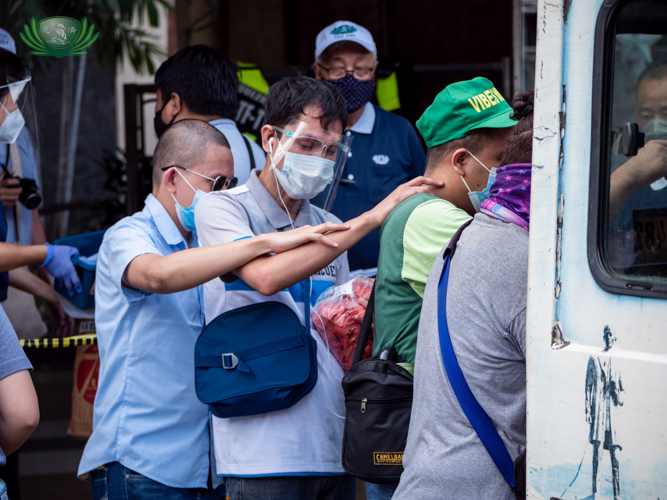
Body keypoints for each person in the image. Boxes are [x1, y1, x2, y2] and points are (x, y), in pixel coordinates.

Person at [194, 76, 440, 500]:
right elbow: (266, 278)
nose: (320, 160)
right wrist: (370, 219)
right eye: (307, 145)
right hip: (262, 456)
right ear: (270, 138)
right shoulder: (223, 209)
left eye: (331, 150)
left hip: (333, 449)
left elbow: (340, 330)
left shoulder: (323, 223)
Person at [77, 119, 349, 500]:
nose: (225, 194)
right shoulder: (130, 234)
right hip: (144, 462)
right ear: (172, 179)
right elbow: (156, 276)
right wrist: (263, 242)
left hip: (207, 466)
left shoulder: (213, 240)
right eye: (217, 184)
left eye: (231, 184)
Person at [367, 82, 526, 500]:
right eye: (499, 162)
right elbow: (524, 259)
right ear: (461, 161)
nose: (507, 177)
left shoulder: (446, 212)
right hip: (425, 446)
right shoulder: (430, 216)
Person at [313, 21, 426, 270]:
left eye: (361, 68)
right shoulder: (305, 135)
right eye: (338, 69)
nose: (350, 77)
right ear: (318, 72)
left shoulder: (400, 131)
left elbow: (424, 202)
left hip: (385, 280)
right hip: (314, 275)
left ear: (374, 70)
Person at [0, 42, 76, 335]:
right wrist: (42, 254)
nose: (15, 110)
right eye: (11, 99)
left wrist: (56, 295)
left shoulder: (19, 144)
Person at [154, 45, 266, 185]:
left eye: (158, 99)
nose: (156, 108)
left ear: (175, 103)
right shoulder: (258, 155)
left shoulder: (179, 157)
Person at [609, 61, 667, 220]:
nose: (656, 126)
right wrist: (631, 174)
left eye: (666, 114)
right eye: (646, 116)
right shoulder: (626, 181)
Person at [585, 326, 624, 500]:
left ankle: (618, 495)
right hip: (599, 413)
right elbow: (588, 386)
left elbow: (623, 396)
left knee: (615, 457)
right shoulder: (594, 358)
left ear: (615, 338)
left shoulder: (620, 360)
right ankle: (596, 493)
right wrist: (587, 410)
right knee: (597, 456)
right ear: (603, 337)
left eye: (611, 335)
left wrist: (616, 391)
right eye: (606, 334)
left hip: (613, 417)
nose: (609, 337)